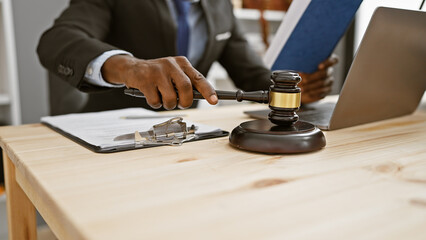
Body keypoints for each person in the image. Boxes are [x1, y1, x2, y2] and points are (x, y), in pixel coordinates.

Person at [37, 0, 336, 114]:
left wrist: (298, 89)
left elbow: (254, 77)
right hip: (113, 133)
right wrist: (131, 67)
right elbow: (56, 40)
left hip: (187, 138)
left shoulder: (221, 8)